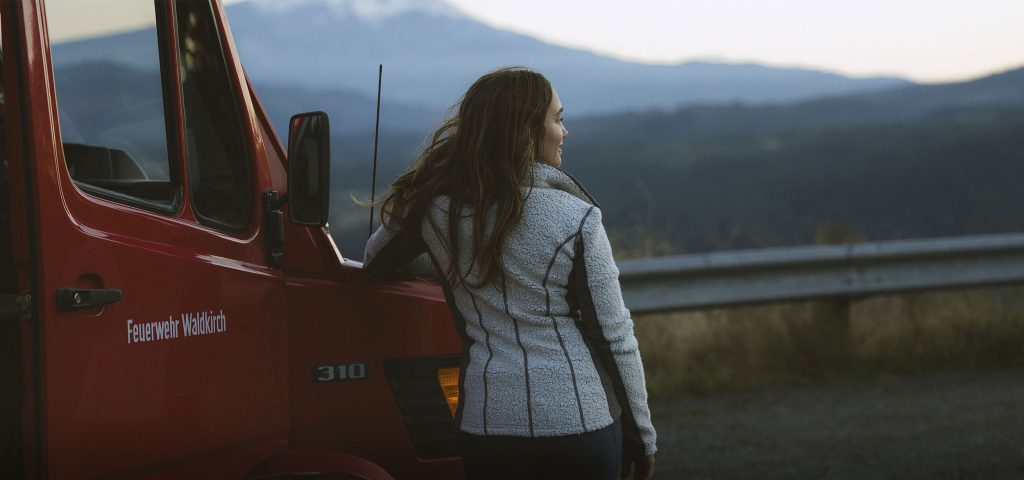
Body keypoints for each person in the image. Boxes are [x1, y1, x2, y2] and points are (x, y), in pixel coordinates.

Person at [364, 67, 656, 480]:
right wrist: (641, 435)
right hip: (580, 422)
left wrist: (456, 266)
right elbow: (613, 335)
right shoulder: (579, 218)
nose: (565, 131)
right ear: (525, 131)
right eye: (557, 119)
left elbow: (377, 261)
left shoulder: (434, 208)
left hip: (488, 427)